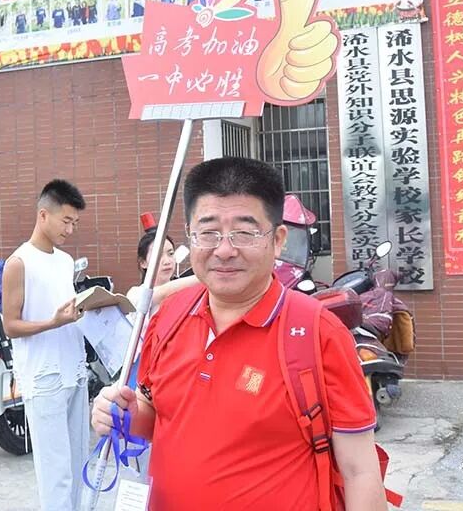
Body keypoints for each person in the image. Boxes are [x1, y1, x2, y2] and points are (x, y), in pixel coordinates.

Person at [92, 158, 387, 510]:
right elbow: (157, 413)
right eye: (208, 232)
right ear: (191, 236)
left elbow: (359, 471)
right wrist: (123, 413)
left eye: (244, 233)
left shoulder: (318, 333)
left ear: (278, 240)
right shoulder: (170, 316)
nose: (224, 249)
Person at [1, 180, 89, 511]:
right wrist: (53, 323)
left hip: (74, 370)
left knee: (79, 465)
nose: (70, 229)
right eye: (66, 221)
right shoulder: (19, 263)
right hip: (44, 378)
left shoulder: (65, 261)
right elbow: (11, 325)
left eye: (74, 223)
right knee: (55, 474)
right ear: (43, 215)